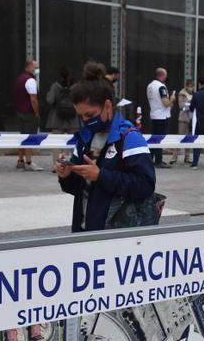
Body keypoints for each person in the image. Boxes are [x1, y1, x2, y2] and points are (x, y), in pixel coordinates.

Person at [54, 63, 156, 232]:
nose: (85, 121)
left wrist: (101, 176)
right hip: (83, 232)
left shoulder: (129, 137)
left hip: (114, 237)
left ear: (107, 106)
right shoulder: (84, 137)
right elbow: (78, 189)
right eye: (80, 116)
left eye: (90, 115)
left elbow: (145, 186)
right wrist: (66, 176)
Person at [14, 59, 41, 171]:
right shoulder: (30, 80)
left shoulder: (19, 78)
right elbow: (33, 99)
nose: (37, 70)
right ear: (29, 67)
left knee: (22, 136)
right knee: (30, 137)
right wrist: (36, 113)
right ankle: (28, 162)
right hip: (29, 113)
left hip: (20, 111)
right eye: (35, 67)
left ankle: (20, 160)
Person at [145, 67, 173, 167]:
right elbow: (165, 103)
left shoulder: (149, 86)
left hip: (153, 114)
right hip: (162, 116)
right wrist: (172, 100)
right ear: (162, 76)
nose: (166, 77)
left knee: (153, 139)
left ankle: (150, 159)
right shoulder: (161, 87)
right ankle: (159, 161)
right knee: (160, 139)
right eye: (165, 75)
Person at [172, 78, 194, 166]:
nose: (190, 88)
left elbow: (192, 106)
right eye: (189, 86)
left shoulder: (195, 94)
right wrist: (190, 104)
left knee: (189, 138)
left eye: (192, 86)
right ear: (186, 86)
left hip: (192, 118)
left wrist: (188, 105)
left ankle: (187, 157)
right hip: (183, 118)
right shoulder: (182, 93)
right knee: (180, 137)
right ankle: (174, 157)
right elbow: (181, 106)